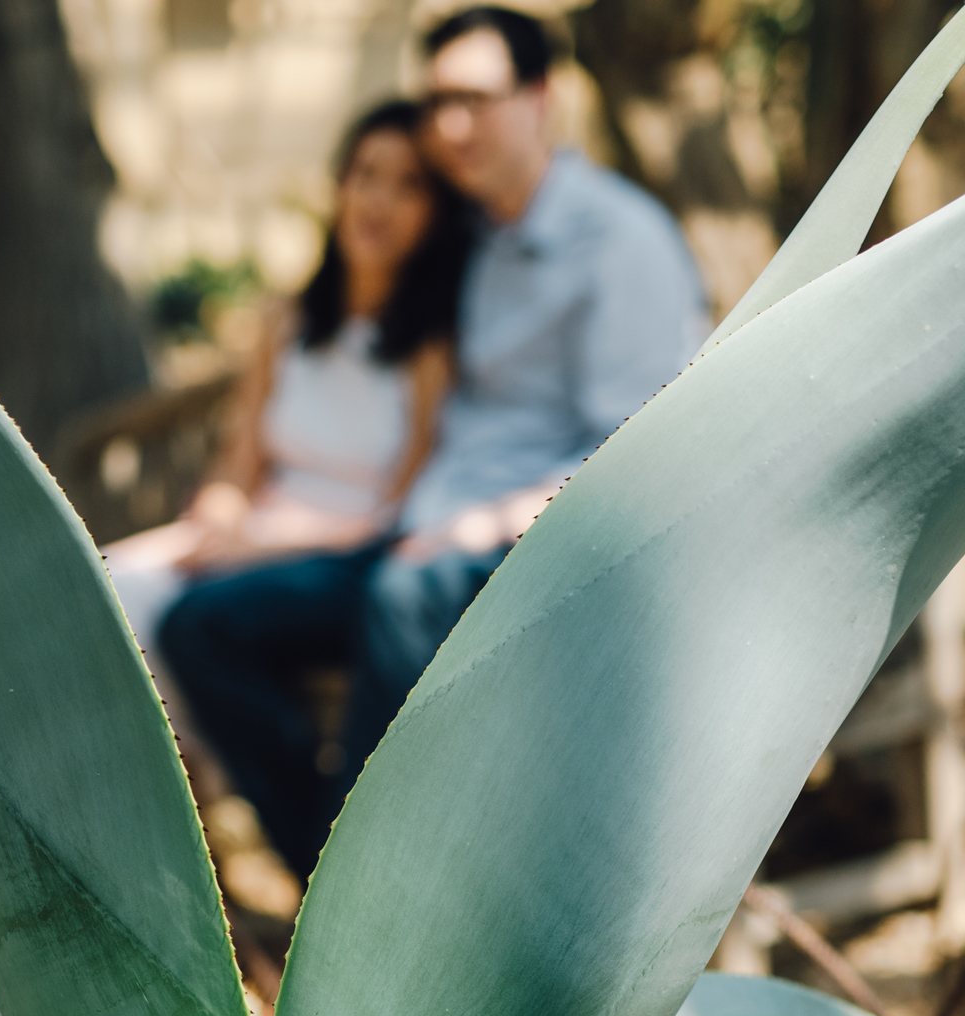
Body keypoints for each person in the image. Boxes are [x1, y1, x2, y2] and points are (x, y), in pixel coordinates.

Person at [161, 5, 706, 879]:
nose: (450, 127)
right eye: (436, 102)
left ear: (542, 100)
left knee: (406, 596)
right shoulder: (470, 234)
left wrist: (492, 523)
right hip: (413, 533)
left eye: (476, 100)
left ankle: (361, 889)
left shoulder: (620, 242)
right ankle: (335, 872)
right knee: (205, 624)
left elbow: (644, 448)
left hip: (536, 551)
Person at [103, 100, 472, 653]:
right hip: (253, 529)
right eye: (365, 175)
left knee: (179, 622)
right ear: (339, 187)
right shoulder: (286, 320)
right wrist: (221, 514)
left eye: (408, 186)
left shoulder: (430, 349)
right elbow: (239, 459)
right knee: (104, 587)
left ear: (436, 213)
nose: (378, 201)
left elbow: (399, 509)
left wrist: (254, 548)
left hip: (339, 559)